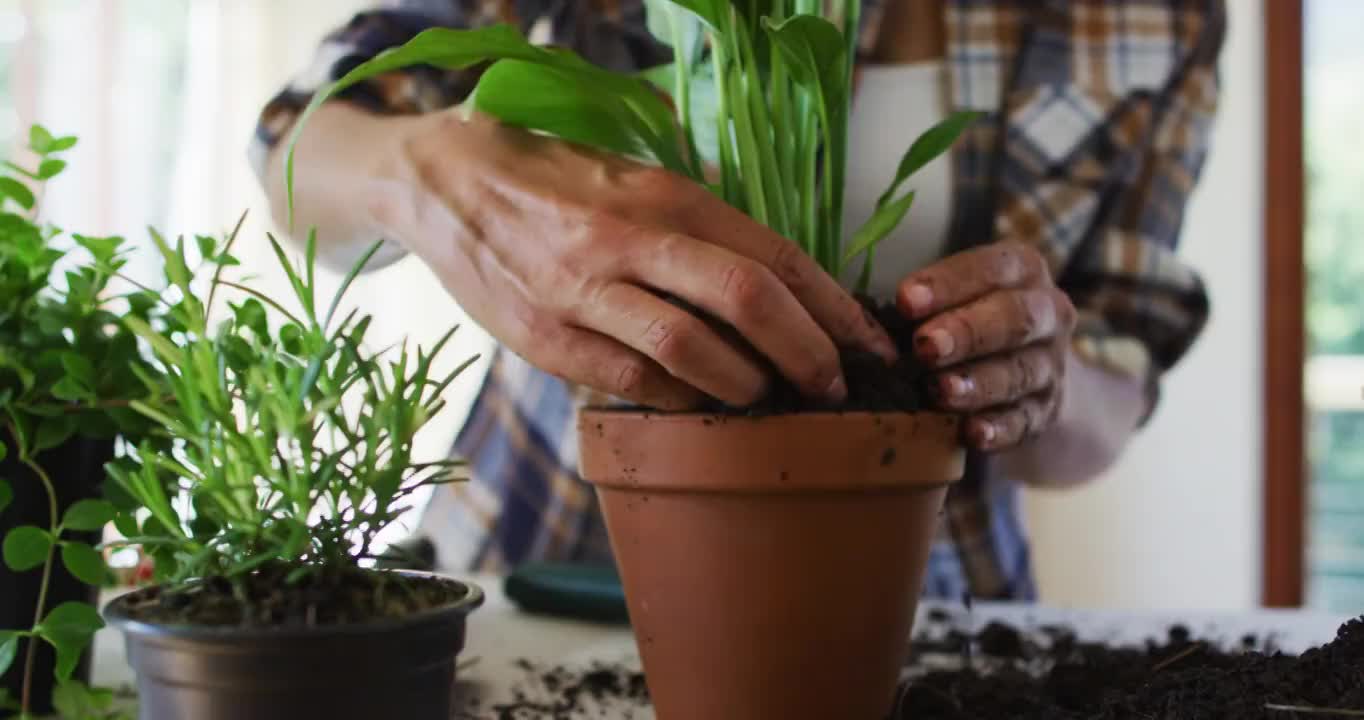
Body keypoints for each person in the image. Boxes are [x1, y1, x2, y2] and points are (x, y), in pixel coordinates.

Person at [252, 0, 1225, 601]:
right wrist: (432, 176)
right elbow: (297, 151)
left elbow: (1117, 364)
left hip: (925, 597)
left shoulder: (1159, 15)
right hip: (536, 550)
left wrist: (1041, 378)